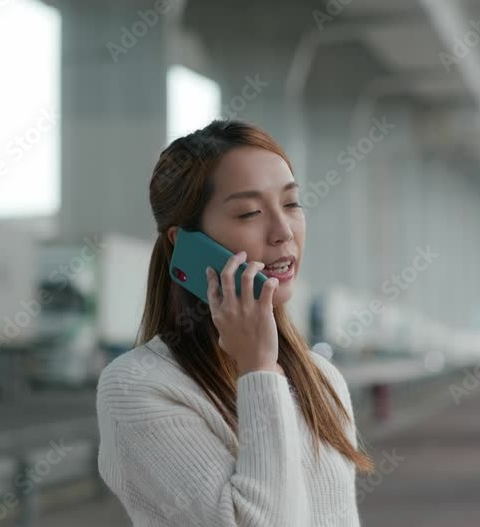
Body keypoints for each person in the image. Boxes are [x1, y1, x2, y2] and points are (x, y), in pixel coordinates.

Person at [96, 119, 374, 526]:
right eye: (249, 212)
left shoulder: (322, 379)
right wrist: (258, 368)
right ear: (186, 243)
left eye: (292, 204)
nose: (283, 232)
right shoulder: (138, 387)